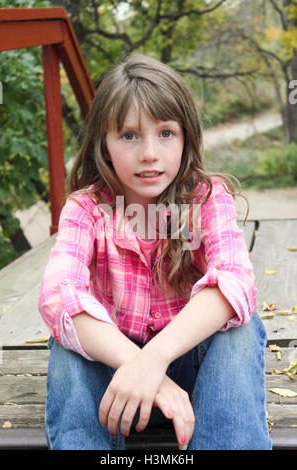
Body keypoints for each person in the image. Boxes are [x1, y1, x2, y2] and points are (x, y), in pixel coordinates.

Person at [38, 54, 272, 451]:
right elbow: (58, 295)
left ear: (186, 138)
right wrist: (139, 366)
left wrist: (155, 360)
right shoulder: (86, 209)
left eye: (165, 133)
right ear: (104, 145)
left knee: (240, 328)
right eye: (129, 135)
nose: (149, 153)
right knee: (68, 343)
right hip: (112, 380)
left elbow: (236, 280)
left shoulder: (207, 198)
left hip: (198, 376)